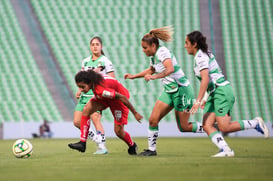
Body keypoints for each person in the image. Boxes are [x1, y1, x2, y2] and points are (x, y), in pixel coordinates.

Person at [184, 30, 269, 157]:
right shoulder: (201, 55)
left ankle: (255, 123)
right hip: (215, 93)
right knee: (207, 125)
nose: (185, 46)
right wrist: (205, 99)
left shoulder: (200, 57)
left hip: (221, 92)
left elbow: (206, 79)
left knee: (224, 127)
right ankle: (226, 150)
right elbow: (210, 81)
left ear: (194, 44)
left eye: (187, 43)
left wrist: (198, 100)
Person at [124, 26, 203, 156]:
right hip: (169, 91)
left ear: (153, 46)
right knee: (153, 120)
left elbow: (170, 69)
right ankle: (151, 150)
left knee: (184, 127)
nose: (143, 50)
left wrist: (154, 77)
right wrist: (133, 76)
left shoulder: (162, 52)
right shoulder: (153, 56)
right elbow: (151, 70)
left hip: (182, 91)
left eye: (145, 48)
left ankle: (210, 127)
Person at [68, 70, 143, 155]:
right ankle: (82, 143)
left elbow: (122, 97)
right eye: (79, 87)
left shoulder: (101, 89)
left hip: (118, 101)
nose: (81, 90)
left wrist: (135, 113)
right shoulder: (94, 82)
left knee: (118, 131)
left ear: (89, 83)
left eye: (82, 87)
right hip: (105, 98)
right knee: (86, 110)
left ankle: (132, 145)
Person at [74, 36, 115, 154]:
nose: (95, 46)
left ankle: (102, 147)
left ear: (101, 47)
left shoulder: (105, 61)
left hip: (96, 95)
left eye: (97, 44)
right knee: (77, 122)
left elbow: (112, 79)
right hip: (84, 96)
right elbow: (83, 79)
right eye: (93, 44)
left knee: (96, 119)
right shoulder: (85, 61)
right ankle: (97, 138)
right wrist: (79, 90)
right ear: (90, 47)